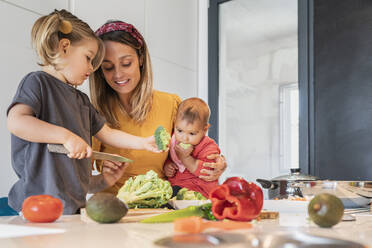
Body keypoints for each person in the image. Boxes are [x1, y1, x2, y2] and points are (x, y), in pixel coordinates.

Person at [6, 10, 161, 215]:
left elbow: (107, 134)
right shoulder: (37, 83)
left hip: (73, 209)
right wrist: (66, 136)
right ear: (64, 47)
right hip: (36, 206)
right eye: (88, 58)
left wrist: (142, 143)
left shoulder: (81, 101)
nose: (91, 68)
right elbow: (16, 122)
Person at [90, 20, 227, 195]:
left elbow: (197, 147)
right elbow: (81, 183)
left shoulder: (170, 104)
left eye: (126, 63)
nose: (118, 74)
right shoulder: (94, 112)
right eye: (108, 67)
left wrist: (217, 164)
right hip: (113, 209)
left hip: (160, 205)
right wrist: (104, 178)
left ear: (140, 59)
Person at [167, 98, 220, 198]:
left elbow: (206, 172)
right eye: (180, 130)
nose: (184, 138)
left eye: (191, 133)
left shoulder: (208, 147)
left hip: (199, 192)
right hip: (176, 188)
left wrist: (185, 158)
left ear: (204, 130)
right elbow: (168, 158)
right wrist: (167, 166)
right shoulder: (173, 140)